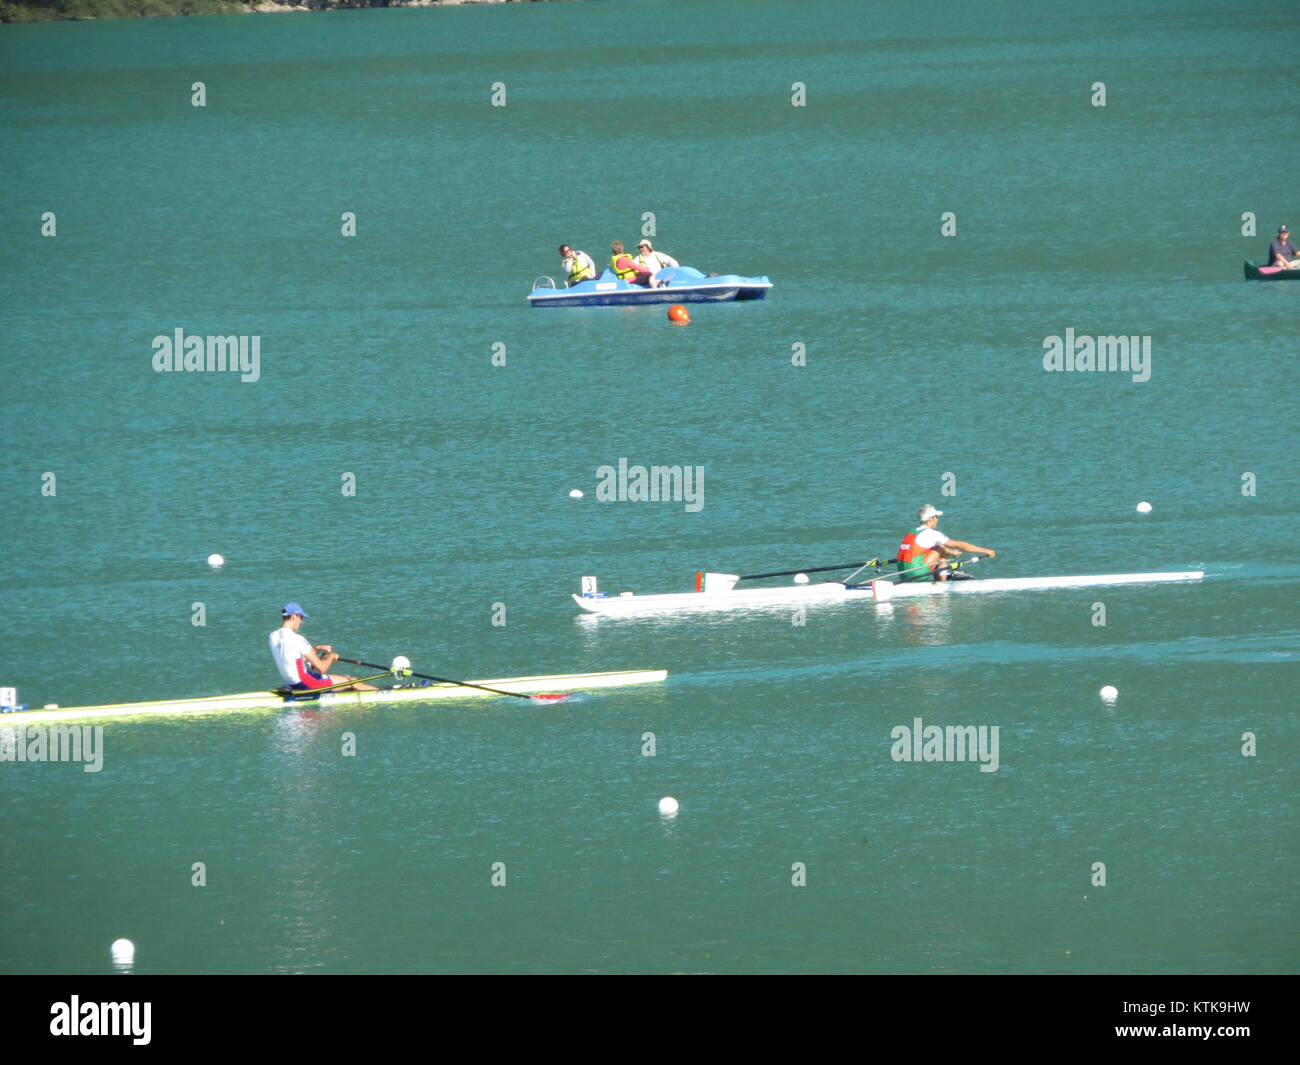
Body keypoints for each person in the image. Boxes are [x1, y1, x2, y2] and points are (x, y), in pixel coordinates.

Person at [269, 603, 377, 692]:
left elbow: (293, 658)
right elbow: (322, 668)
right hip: (307, 683)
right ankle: (382, 693)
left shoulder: (273, 636)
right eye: (301, 618)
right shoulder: (297, 639)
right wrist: (331, 656)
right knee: (352, 681)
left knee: (344, 681)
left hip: (291, 683)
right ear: (294, 616)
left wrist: (317, 649)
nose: (301, 622)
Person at [896, 505, 996, 582]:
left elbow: (933, 546)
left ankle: (938, 578)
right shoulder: (932, 534)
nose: (937, 520)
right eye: (936, 517)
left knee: (938, 548)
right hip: (916, 574)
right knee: (940, 550)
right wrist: (986, 551)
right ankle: (942, 581)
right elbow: (960, 545)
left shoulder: (912, 532)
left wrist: (952, 553)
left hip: (903, 574)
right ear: (930, 519)